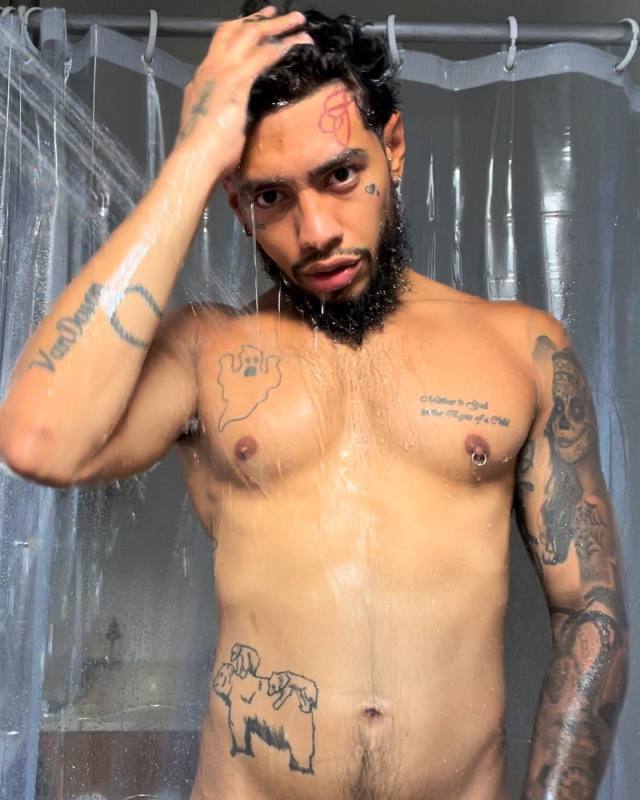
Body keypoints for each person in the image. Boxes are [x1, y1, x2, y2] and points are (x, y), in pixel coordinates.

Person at [0, 3, 629, 799]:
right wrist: (195, 157)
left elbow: (589, 613)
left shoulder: (522, 348)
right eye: (271, 196)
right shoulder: (206, 352)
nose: (316, 231)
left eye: (339, 175)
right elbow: (40, 439)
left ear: (392, 148)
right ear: (236, 205)